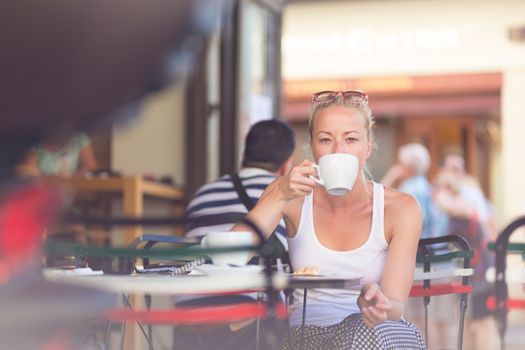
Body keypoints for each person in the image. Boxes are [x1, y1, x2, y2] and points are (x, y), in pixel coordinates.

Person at [233, 90, 425, 349]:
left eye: (351, 139)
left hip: (377, 334)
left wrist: (378, 307)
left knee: (363, 332)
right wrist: (279, 195)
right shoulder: (291, 195)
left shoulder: (401, 208)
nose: (339, 151)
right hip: (309, 337)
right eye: (326, 140)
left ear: (367, 147)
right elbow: (231, 255)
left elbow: (395, 305)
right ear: (312, 147)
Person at [172, 119, 295, 350]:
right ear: (287, 165)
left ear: (244, 154)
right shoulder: (285, 192)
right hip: (246, 330)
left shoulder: (203, 193)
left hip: (186, 324)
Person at [383, 143, 454, 349]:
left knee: (419, 318)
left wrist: (390, 176)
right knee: (440, 321)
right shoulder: (430, 188)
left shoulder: (406, 193)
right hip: (440, 263)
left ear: (405, 166)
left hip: (418, 263)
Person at [434, 155, 498, 350]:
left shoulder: (465, 199)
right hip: (468, 267)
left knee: (481, 321)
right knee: (469, 322)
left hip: (476, 268)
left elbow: (483, 223)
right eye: (453, 168)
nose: (458, 172)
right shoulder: (462, 196)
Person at [18, 133, 98, 177]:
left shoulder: (79, 138)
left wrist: (73, 180)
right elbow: (28, 170)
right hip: (42, 193)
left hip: (73, 191)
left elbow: (90, 166)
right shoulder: (37, 142)